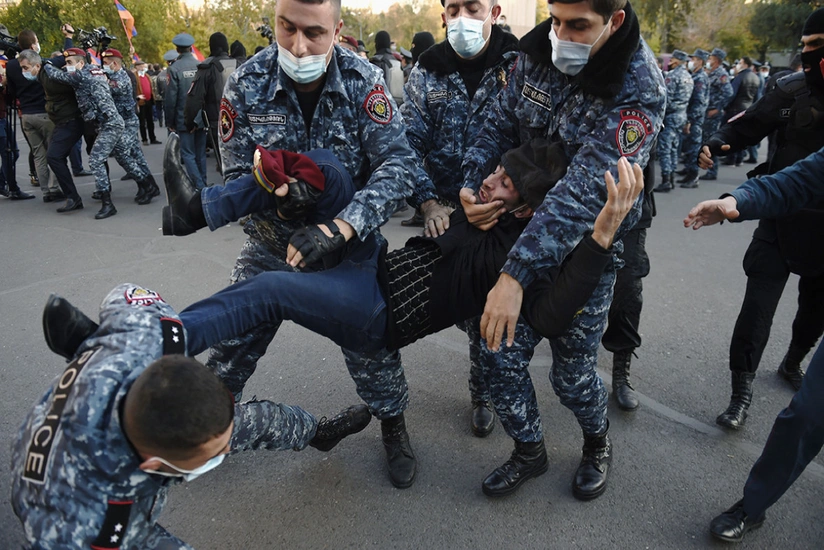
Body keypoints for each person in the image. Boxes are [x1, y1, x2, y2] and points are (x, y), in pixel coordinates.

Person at [162, 135, 644, 371]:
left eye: (505, 184)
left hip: (376, 313)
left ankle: (164, 342)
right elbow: (432, 200)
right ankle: (198, 209)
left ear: (526, 209)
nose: (490, 181)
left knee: (269, 289)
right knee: (328, 170)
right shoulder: (479, 208)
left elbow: (552, 317)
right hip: (372, 264)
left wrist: (601, 238)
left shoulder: (524, 258)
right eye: (497, 170)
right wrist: (455, 211)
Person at [459, 0, 666, 500]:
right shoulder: (535, 54)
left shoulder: (638, 85)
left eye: (579, 26)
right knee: (498, 353)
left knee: (571, 376)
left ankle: (596, 441)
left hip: (586, 248)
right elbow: (497, 124)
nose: (562, 37)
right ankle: (530, 450)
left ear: (614, 21)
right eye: (556, 21)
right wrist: (470, 184)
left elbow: (583, 191)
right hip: (516, 233)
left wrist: (515, 276)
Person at [212, 0, 420, 490]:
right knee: (230, 344)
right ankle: (208, 421)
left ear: (337, 29)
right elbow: (236, 174)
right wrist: (278, 202)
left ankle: (392, 423)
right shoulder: (247, 83)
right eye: (286, 28)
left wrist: (343, 225)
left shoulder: (363, 80)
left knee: (372, 347)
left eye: (314, 33)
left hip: (343, 249)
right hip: (271, 246)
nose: (299, 46)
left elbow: (398, 165)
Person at [11, 284, 372, 549]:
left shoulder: (146, 338)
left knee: (259, 421)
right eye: (213, 455)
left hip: (119, 381)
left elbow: (124, 295)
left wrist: (95, 339)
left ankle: (316, 433)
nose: (227, 450)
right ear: (155, 466)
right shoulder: (79, 521)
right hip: (108, 505)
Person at [684, 146, 824, 544]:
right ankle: (754, 504)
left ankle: (793, 360)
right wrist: (736, 200)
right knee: (807, 414)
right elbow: (794, 181)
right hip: (785, 238)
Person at [696, 8, 824, 430]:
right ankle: (741, 394)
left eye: (818, 46)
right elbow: (748, 126)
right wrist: (717, 143)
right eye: (806, 46)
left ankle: (793, 362)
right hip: (779, 215)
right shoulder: (791, 91)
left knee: (814, 311)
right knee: (757, 309)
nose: (809, 54)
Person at [401, 0, 519, 436]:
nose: (462, 18)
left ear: (494, 11)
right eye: (453, 8)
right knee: (471, 306)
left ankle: (499, 390)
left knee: (507, 303)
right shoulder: (427, 70)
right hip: (452, 210)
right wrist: (428, 203)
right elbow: (405, 145)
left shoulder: (519, 64)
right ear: (443, 15)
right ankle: (482, 391)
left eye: (473, 7)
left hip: (507, 208)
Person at [42, 48, 125, 219]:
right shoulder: (93, 70)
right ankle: (147, 185)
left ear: (80, 63)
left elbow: (56, 75)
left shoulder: (81, 75)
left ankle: (108, 204)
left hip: (109, 123)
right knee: (125, 157)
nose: (67, 66)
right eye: (66, 63)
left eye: (69, 63)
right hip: (105, 123)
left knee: (96, 160)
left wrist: (47, 63)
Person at [4, 29, 60, 201]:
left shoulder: (12, 66)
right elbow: (59, 61)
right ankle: (54, 188)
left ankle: (45, 191)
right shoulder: (39, 62)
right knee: (53, 152)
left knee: (38, 154)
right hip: (44, 112)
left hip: (26, 114)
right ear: (32, 44)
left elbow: (11, 91)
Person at [101, 49, 161, 205]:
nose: (104, 66)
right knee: (136, 155)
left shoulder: (122, 77)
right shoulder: (112, 76)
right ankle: (150, 186)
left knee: (121, 153)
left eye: (106, 63)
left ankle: (146, 184)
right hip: (123, 122)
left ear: (115, 63)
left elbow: (108, 89)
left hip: (127, 122)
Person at [184, 32, 238, 176]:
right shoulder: (239, 64)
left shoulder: (207, 68)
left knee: (226, 166)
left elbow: (194, 98)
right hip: (242, 119)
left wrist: (189, 122)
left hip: (219, 122)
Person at [165, 33, 207, 190]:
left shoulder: (174, 69)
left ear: (177, 49)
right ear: (191, 48)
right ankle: (204, 184)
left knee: (188, 154)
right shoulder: (201, 65)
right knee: (200, 153)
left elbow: (171, 99)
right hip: (200, 118)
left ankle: (199, 186)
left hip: (183, 118)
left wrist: (170, 122)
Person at [653, 49, 693, 192]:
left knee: (665, 148)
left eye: (671, 60)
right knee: (675, 147)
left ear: (676, 60)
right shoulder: (688, 76)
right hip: (681, 115)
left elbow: (666, 99)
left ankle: (666, 180)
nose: (669, 62)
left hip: (670, 116)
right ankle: (671, 176)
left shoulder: (672, 76)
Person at [674, 48, 710, 188]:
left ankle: (694, 176)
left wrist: (690, 120)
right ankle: (688, 172)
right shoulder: (694, 75)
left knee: (695, 147)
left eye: (694, 59)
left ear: (700, 61)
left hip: (695, 119)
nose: (691, 61)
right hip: (690, 117)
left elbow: (698, 102)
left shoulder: (701, 78)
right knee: (689, 146)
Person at [698, 48, 734, 181]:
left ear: (717, 60)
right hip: (707, 111)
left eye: (711, 58)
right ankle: (708, 168)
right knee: (705, 140)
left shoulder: (721, 74)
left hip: (713, 113)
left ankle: (712, 171)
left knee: (711, 142)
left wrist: (718, 109)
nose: (708, 60)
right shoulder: (711, 73)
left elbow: (729, 92)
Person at [724, 56, 760, 166]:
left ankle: (731, 158)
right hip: (748, 108)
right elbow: (757, 97)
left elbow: (731, 94)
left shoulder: (740, 77)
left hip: (736, 109)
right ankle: (739, 158)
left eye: (740, 63)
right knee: (742, 135)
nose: (738, 65)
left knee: (732, 135)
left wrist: (725, 107)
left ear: (745, 64)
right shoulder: (755, 77)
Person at [370, 30, 405, 105]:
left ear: (377, 43)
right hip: (398, 105)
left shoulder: (376, 61)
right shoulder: (397, 62)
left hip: (382, 105)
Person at [134, 60, 160, 146]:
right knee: (142, 122)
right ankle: (144, 139)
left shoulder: (147, 75)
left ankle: (153, 138)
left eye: (143, 66)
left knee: (150, 121)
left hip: (149, 100)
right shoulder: (135, 76)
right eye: (141, 66)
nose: (143, 68)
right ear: (136, 67)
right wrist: (137, 97)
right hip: (141, 101)